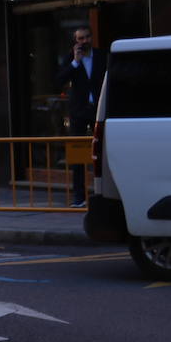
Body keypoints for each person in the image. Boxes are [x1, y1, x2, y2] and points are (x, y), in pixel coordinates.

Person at [55, 26, 108, 207]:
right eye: (80, 39)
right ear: (75, 41)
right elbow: (58, 80)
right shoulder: (70, 58)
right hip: (78, 111)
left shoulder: (101, 56)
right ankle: (79, 196)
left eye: (86, 38)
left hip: (98, 110)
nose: (84, 41)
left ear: (91, 38)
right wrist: (75, 62)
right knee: (77, 154)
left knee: (102, 151)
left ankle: (104, 193)